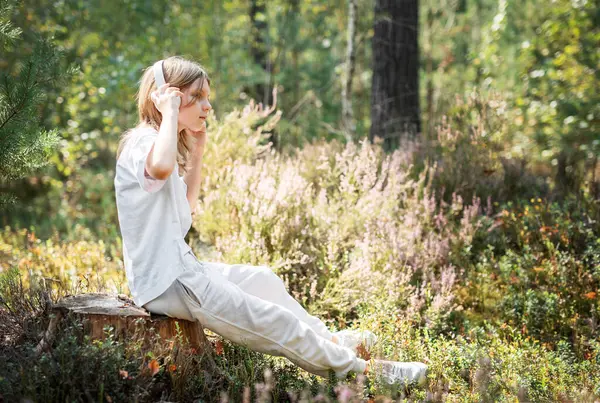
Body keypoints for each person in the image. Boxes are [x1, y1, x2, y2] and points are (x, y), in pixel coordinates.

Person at [114, 55, 427, 385]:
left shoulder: (157, 142)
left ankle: (329, 340)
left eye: (207, 97)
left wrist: (197, 149)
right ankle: (366, 374)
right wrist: (172, 113)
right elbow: (160, 167)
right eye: (196, 97)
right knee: (274, 321)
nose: (206, 106)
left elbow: (185, 211)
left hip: (182, 269)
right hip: (167, 282)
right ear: (167, 97)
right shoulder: (141, 143)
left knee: (262, 279)